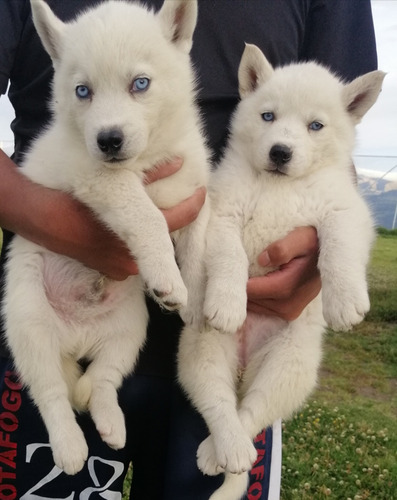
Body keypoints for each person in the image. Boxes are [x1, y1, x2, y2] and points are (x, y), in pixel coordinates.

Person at [0, 0, 377, 498]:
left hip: (230, 330)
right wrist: (51, 218)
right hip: (57, 301)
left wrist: (323, 248)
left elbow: (332, 126)